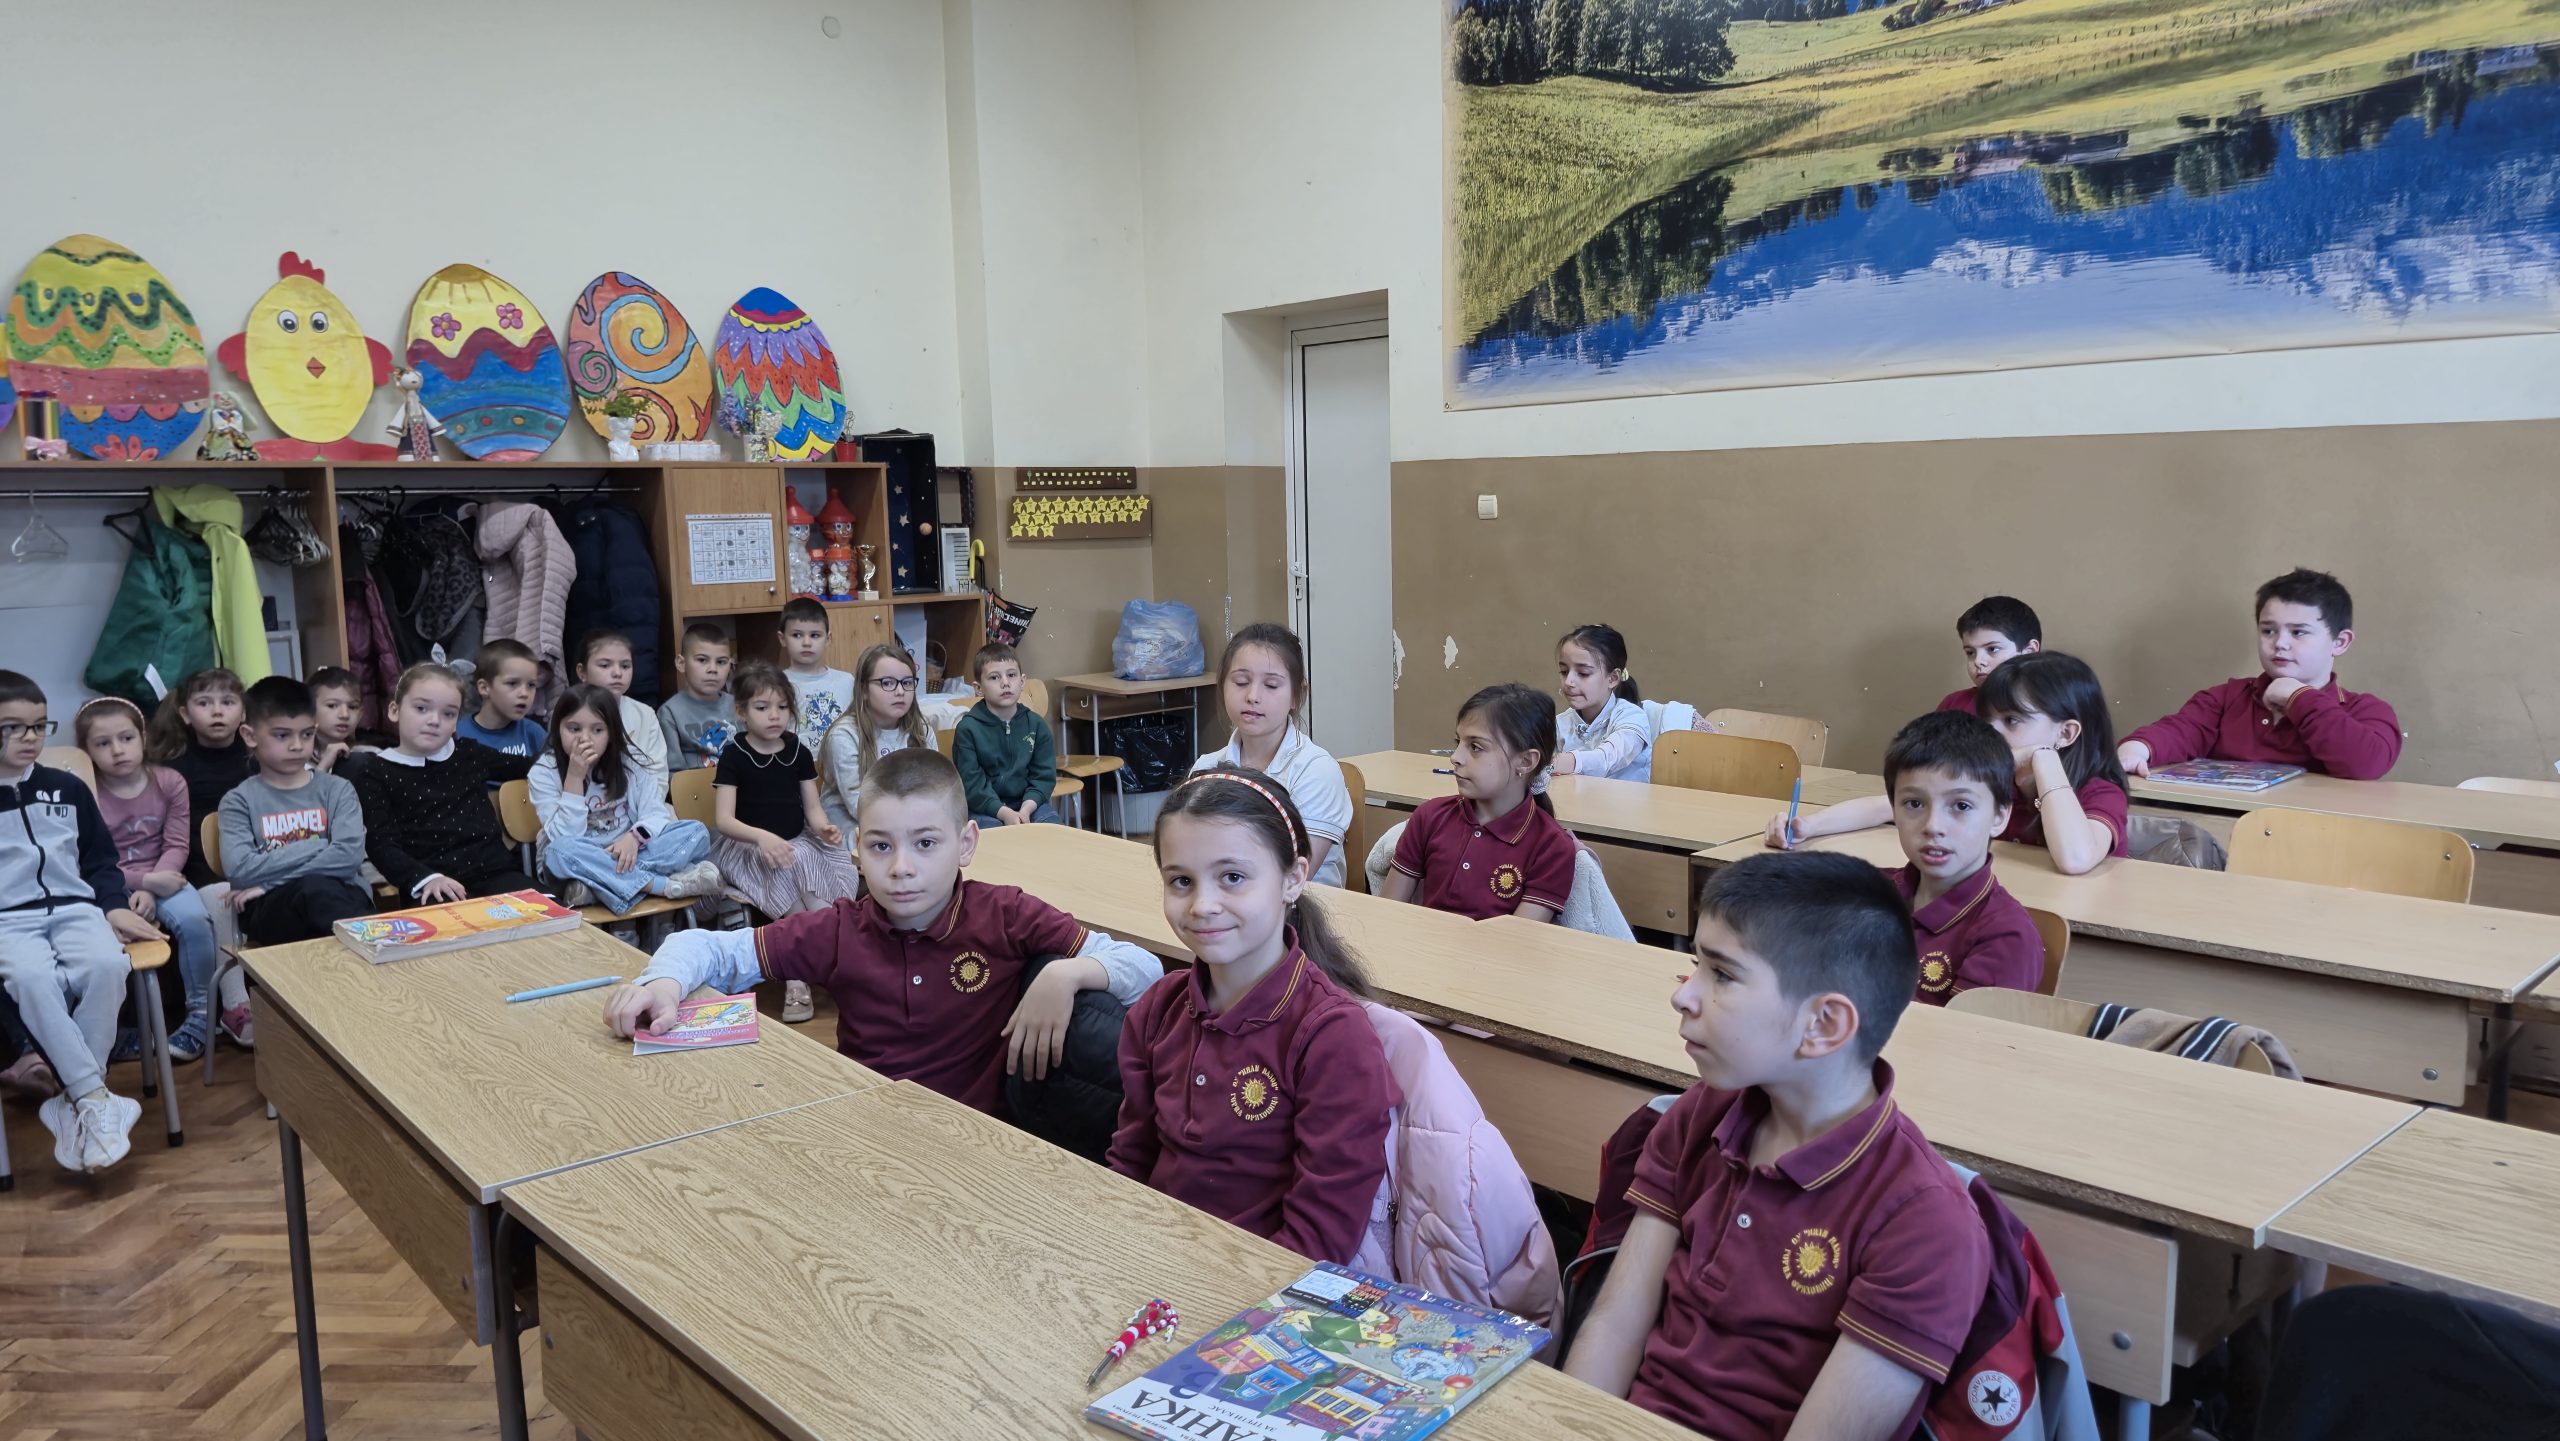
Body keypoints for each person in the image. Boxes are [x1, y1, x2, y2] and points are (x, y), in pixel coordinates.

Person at [1564, 851, 1992, 1441]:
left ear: (1824, 1025)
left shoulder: (1926, 1221)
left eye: (1722, 974)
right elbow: (1614, 1325)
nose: (1683, 997)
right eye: (1695, 966)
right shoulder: (1700, 1115)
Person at [605, 747, 1159, 1114]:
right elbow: (706, 946)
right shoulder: (840, 930)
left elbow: (1146, 968)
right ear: (857, 848)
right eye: (880, 846)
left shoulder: (1004, 914)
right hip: (866, 1135)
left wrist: (1066, 974)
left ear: (966, 843)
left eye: (926, 843)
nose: (901, 868)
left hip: (982, 1148)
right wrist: (663, 983)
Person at [1108, 768, 1396, 1262]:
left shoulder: (1333, 1037)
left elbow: (1318, 1239)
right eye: (1181, 881)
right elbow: (1130, 1165)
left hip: (1263, 1287)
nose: (1203, 905)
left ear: (1293, 879)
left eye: (1233, 877)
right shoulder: (1156, 1011)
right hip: (1156, 1263)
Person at [1773, 650, 2127, 876]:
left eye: (2012, 721)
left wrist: (2044, 758)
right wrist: (1808, 826)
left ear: (2066, 733)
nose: (1991, 731)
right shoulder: (1989, 779)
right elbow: (1884, 807)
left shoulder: (2100, 793)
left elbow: (2075, 859)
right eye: (1987, 719)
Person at [0, 670, 158, 1173]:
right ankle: (93, 1097)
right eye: (14, 727)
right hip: (8, 921)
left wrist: (113, 906)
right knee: (32, 979)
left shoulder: (67, 787)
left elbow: (100, 860)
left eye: (39, 725)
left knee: (108, 966)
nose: (30, 737)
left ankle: (75, 1102)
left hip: (77, 909)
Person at [2119, 567, 2400, 780]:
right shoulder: (2225, 698)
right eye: (2268, 630)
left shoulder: (2365, 710)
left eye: (2298, 632)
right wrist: (2137, 749)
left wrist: (2298, 697)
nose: (2280, 643)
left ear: (2340, 642)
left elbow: (2367, 764)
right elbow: (2179, 731)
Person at [78, 696, 231, 1061]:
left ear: (143, 737)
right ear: (87, 751)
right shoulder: (84, 792)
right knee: (101, 940)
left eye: (126, 738)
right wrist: (142, 883)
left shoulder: (169, 781)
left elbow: (176, 844)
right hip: (110, 886)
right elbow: (88, 861)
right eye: (103, 743)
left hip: (166, 876)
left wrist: (153, 883)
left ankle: (202, 1014)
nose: (117, 750)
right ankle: (109, 1032)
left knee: (195, 921)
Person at [1879, 712, 2041, 1004]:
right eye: (1914, 803)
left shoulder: (2005, 937)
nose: (1933, 826)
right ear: (1893, 810)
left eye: (1961, 806)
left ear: (1999, 817)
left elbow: (1962, 1035)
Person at [1379, 683, 1577, 923]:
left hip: (1497, 949)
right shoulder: (1429, 816)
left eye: (1475, 747)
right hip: (1419, 945)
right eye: (1458, 742)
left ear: (1525, 762)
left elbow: (1517, 938)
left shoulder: (1552, 847)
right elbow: (1387, 914)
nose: (1455, 757)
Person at [350, 663, 537, 903]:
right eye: (421, 708)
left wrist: (569, 752)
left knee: (554, 912)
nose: (434, 720)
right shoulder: (374, 772)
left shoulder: (468, 754)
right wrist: (425, 878)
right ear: (395, 711)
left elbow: (530, 766)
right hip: (432, 886)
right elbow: (381, 845)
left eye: (448, 714)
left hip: (497, 875)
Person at [527, 685, 719, 915]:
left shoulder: (632, 762)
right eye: (574, 729)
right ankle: (657, 885)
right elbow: (565, 836)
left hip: (631, 851)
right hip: (581, 856)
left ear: (611, 732)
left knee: (696, 832)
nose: (584, 739)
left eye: (597, 730)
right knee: (558, 852)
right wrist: (574, 778)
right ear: (557, 729)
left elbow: (654, 813)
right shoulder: (544, 772)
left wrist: (634, 838)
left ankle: (598, 886)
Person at [1189, 623, 1354, 888]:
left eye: (1271, 685)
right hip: (1221, 902)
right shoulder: (1206, 767)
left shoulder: (1316, 771)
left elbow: (1291, 878)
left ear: (1298, 695)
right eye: (1241, 682)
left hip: (1301, 908)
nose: (1253, 696)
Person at [218, 677, 375, 947]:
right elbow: (241, 870)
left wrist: (269, 882)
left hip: (342, 895)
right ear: (250, 736)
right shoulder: (238, 801)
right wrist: (321, 845)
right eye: (282, 735)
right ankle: (374, 956)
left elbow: (348, 858)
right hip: (271, 908)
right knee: (314, 889)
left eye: (306, 734)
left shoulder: (338, 789)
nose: (297, 746)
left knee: (320, 891)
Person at [709, 659, 860, 924]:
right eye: (762, 707)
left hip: (796, 841)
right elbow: (724, 820)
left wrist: (823, 827)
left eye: (782, 707)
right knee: (795, 884)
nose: (774, 715)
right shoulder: (733, 756)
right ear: (742, 711)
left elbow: (812, 808)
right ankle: (811, 934)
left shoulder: (798, 751)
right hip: (749, 847)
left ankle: (833, 929)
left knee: (813, 882)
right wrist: (762, 838)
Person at [146, 667, 252, 889]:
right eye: (204, 703)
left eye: (228, 702)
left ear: (243, 712)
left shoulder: (260, 758)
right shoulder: (172, 767)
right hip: (194, 873)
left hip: (255, 863)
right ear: (186, 714)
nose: (217, 711)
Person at [818, 643, 936, 834]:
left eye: (907, 682)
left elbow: (935, 787)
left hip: (912, 818)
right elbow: (858, 806)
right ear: (864, 690)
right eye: (887, 683)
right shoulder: (844, 735)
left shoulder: (922, 730)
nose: (900, 692)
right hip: (853, 823)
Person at [951, 644, 1061, 828]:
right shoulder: (968, 729)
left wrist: (1026, 810)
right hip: (984, 808)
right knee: (993, 834)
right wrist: (1004, 813)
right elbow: (972, 785)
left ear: (1022, 681)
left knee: (1051, 828)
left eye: (1011, 675)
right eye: (994, 677)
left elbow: (1043, 777)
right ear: (978, 688)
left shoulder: (1037, 725)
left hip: (1029, 805)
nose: (1005, 683)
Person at [573, 629, 669, 803]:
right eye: (605, 665)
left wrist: (645, 810)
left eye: (625, 666)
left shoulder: (645, 714)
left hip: (641, 809)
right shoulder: (569, 715)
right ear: (582, 672)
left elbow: (658, 774)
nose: (617, 673)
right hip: (587, 808)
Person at [1551, 623, 1650, 782]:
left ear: (1613, 678)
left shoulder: (1632, 717)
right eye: (1564, 671)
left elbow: (1605, 760)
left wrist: (1557, 762)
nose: (1568, 681)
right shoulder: (1560, 723)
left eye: (1583, 673)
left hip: (1627, 798)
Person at [657, 622, 739, 771]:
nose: (713, 669)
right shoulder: (669, 713)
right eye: (702, 660)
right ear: (681, 663)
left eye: (721, 662)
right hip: (694, 785)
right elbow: (674, 774)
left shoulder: (740, 705)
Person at [1938, 596, 2041, 715]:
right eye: (1970, 652)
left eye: (1993, 649)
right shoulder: (1953, 704)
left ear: (2029, 651)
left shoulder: (2050, 707)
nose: (1978, 661)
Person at [778, 597, 853, 748]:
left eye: (815, 635)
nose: (806, 643)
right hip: (797, 761)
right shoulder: (777, 684)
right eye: (797, 635)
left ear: (828, 639)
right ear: (782, 638)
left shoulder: (847, 681)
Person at [456, 638, 546, 761]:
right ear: (484, 688)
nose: (524, 694)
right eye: (512, 683)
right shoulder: (457, 733)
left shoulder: (534, 734)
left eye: (531, 685)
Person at [307, 665, 365, 773]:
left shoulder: (367, 756)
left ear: (360, 714)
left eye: (352, 707)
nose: (345, 715)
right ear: (310, 709)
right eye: (332, 705)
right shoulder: (295, 760)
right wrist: (323, 767)